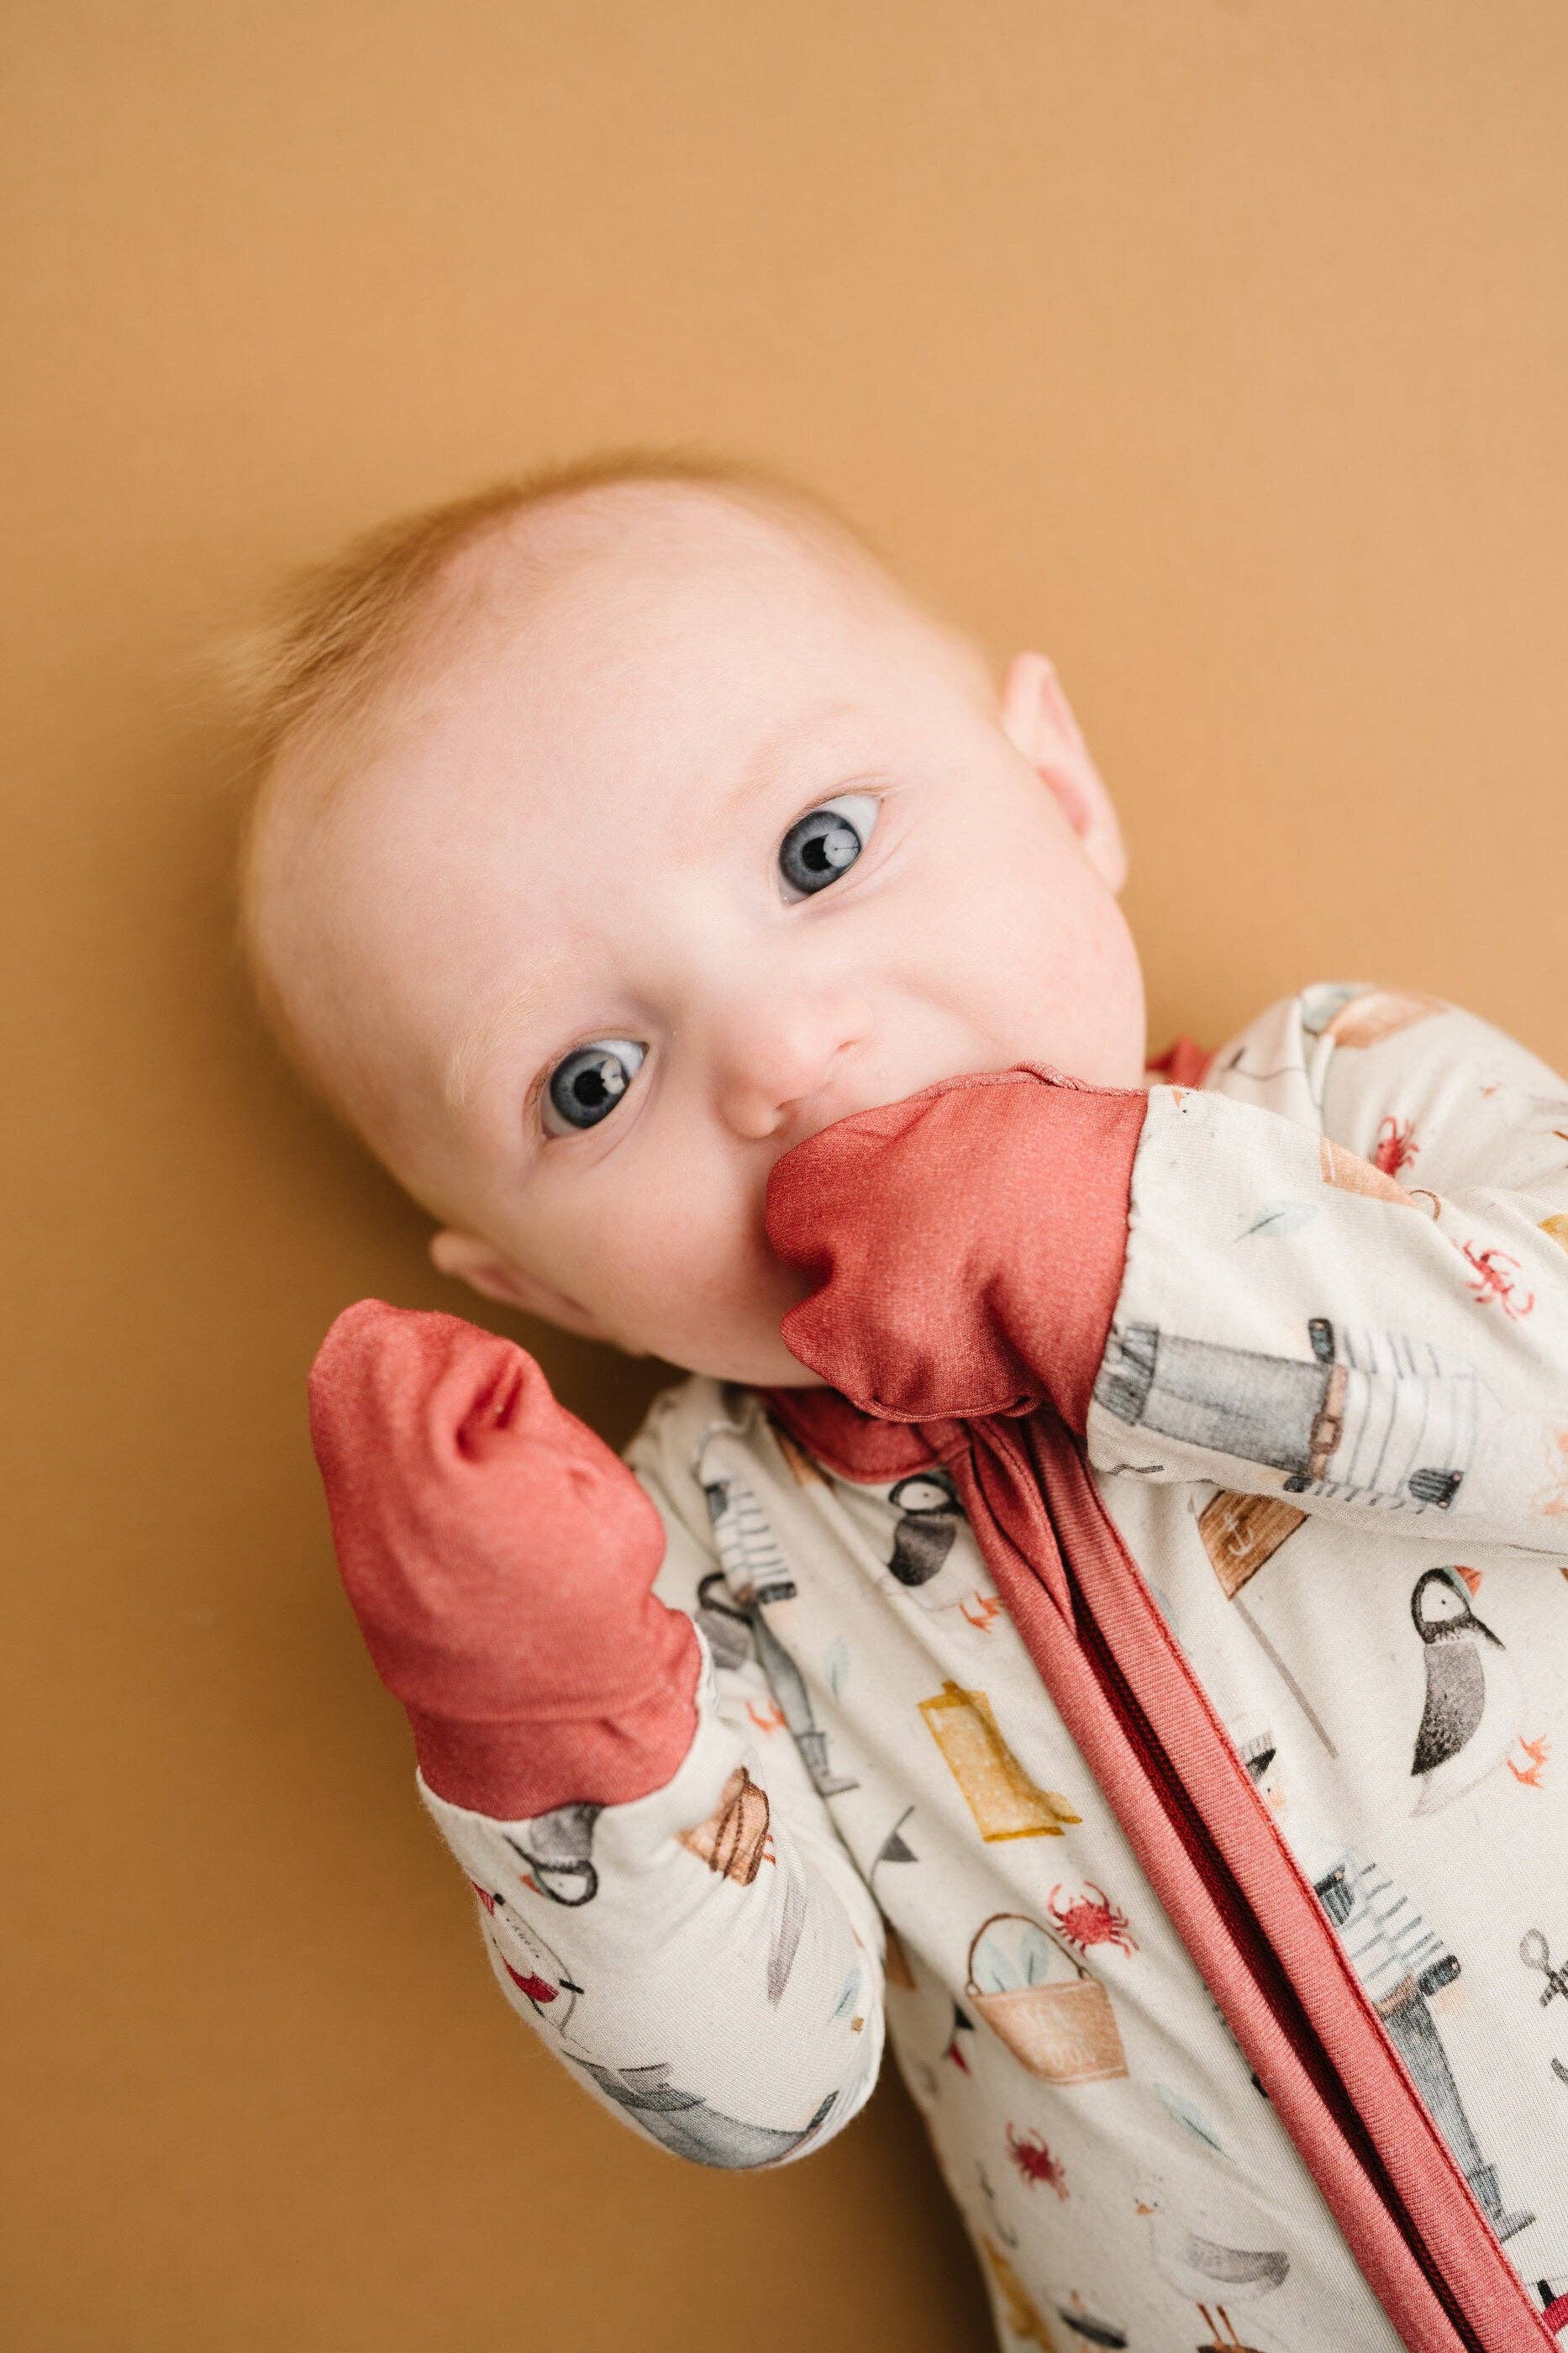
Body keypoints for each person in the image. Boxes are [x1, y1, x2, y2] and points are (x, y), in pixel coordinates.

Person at [230, 450, 1568, 2351]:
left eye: (818, 853)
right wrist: (550, 1711)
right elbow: (759, 2078)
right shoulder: (699, 1554)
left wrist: (1115, 1249)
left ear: (1061, 790)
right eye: (591, 1082)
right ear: (534, 1284)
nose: (782, 1055)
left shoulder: (1358, 1106)